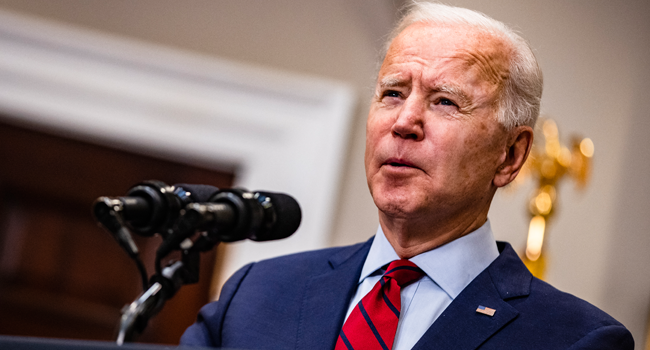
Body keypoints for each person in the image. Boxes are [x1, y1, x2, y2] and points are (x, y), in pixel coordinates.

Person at [180, 2, 634, 349]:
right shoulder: (256, 293)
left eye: (445, 102)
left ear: (510, 155)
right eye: (393, 93)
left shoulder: (577, 340)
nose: (404, 122)